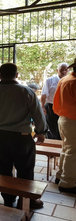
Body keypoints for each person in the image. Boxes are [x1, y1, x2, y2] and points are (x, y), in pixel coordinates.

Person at [0, 63, 47, 209]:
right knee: (25, 169)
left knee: (3, 168)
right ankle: (27, 200)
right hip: (21, 137)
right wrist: (41, 132)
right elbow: (38, 114)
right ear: (17, 75)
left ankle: (8, 199)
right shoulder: (27, 92)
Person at [53, 59, 76, 193]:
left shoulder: (65, 79)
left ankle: (61, 175)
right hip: (73, 120)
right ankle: (67, 182)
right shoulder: (73, 82)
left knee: (67, 149)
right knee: (72, 152)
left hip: (64, 119)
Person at [41, 63, 68, 139]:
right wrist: (42, 106)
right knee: (53, 128)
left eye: (65, 70)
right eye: (61, 70)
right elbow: (44, 94)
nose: (63, 72)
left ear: (68, 70)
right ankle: (54, 145)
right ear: (57, 70)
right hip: (51, 106)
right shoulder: (50, 81)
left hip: (65, 108)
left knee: (63, 128)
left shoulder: (69, 81)